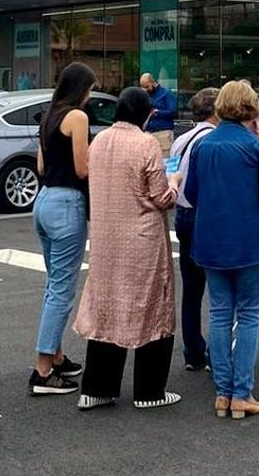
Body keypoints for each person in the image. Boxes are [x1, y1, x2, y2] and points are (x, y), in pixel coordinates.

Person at [184, 81, 259, 420]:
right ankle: (242, 393)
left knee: (218, 313)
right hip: (249, 239)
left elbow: (191, 192)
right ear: (250, 109)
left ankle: (222, 392)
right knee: (247, 314)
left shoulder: (203, 146)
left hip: (210, 239)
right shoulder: (254, 147)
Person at [73, 88, 181, 411]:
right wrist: (174, 181)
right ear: (147, 114)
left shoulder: (100, 141)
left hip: (106, 238)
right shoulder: (146, 143)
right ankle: (150, 390)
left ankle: (96, 388)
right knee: (151, 304)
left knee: (106, 305)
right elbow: (161, 197)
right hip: (142, 238)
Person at [30, 62, 95, 395]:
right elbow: (83, 168)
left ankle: (55, 354)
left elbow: (41, 164)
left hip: (43, 200)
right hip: (67, 203)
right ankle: (43, 369)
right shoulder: (77, 117)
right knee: (62, 288)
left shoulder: (48, 115)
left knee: (53, 282)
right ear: (82, 88)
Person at [168, 87, 220, 372]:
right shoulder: (213, 139)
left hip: (182, 214)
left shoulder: (181, 139)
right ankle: (217, 349)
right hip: (204, 214)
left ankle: (192, 351)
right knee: (218, 288)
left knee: (191, 288)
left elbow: (171, 172)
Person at [139, 73, 177, 156]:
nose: (145, 90)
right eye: (143, 88)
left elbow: (173, 112)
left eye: (147, 87)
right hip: (148, 132)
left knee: (164, 160)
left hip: (163, 132)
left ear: (153, 82)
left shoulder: (166, 94)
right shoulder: (146, 95)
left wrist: (157, 112)